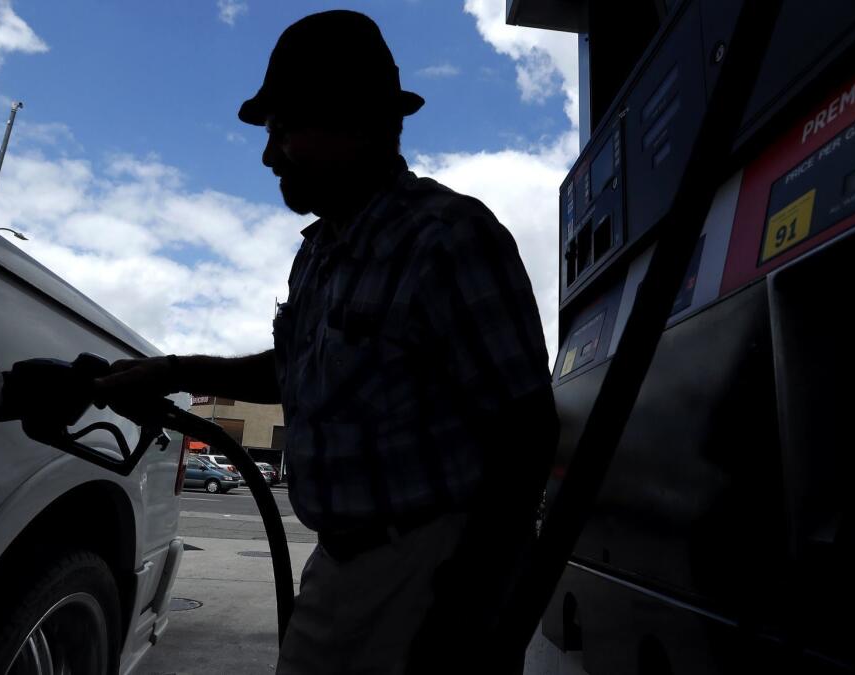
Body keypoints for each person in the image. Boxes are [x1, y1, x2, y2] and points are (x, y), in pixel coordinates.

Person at [95, 10, 557, 673]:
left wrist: (467, 609)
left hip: (434, 572)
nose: (267, 152)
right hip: (340, 565)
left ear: (358, 122)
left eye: (283, 130)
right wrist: (169, 370)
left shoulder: (449, 238)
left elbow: (526, 429)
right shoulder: (319, 254)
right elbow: (295, 371)